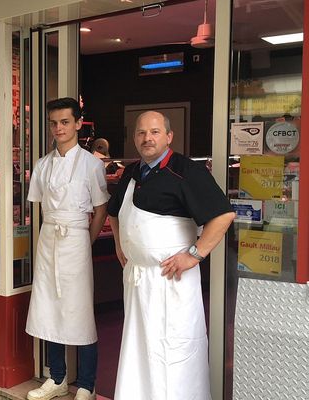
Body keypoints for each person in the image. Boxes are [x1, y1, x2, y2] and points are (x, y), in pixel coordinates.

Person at [107, 111, 235, 400]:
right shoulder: (131, 173)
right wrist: (119, 244)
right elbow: (114, 213)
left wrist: (194, 255)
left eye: (154, 132)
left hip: (171, 281)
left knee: (173, 352)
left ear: (168, 136)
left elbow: (223, 215)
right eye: (141, 133)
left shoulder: (187, 171)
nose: (147, 138)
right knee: (139, 349)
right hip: (138, 281)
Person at [26, 97, 109, 400]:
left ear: (77, 123)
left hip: (76, 238)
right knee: (49, 309)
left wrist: (85, 242)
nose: (59, 128)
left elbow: (100, 210)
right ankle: (57, 378)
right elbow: (39, 208)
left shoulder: (91, 164)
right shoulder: (42, 165)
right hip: (48, 239)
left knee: (80, 311)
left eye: (65, 122)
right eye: (54, 123)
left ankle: (87, 383)